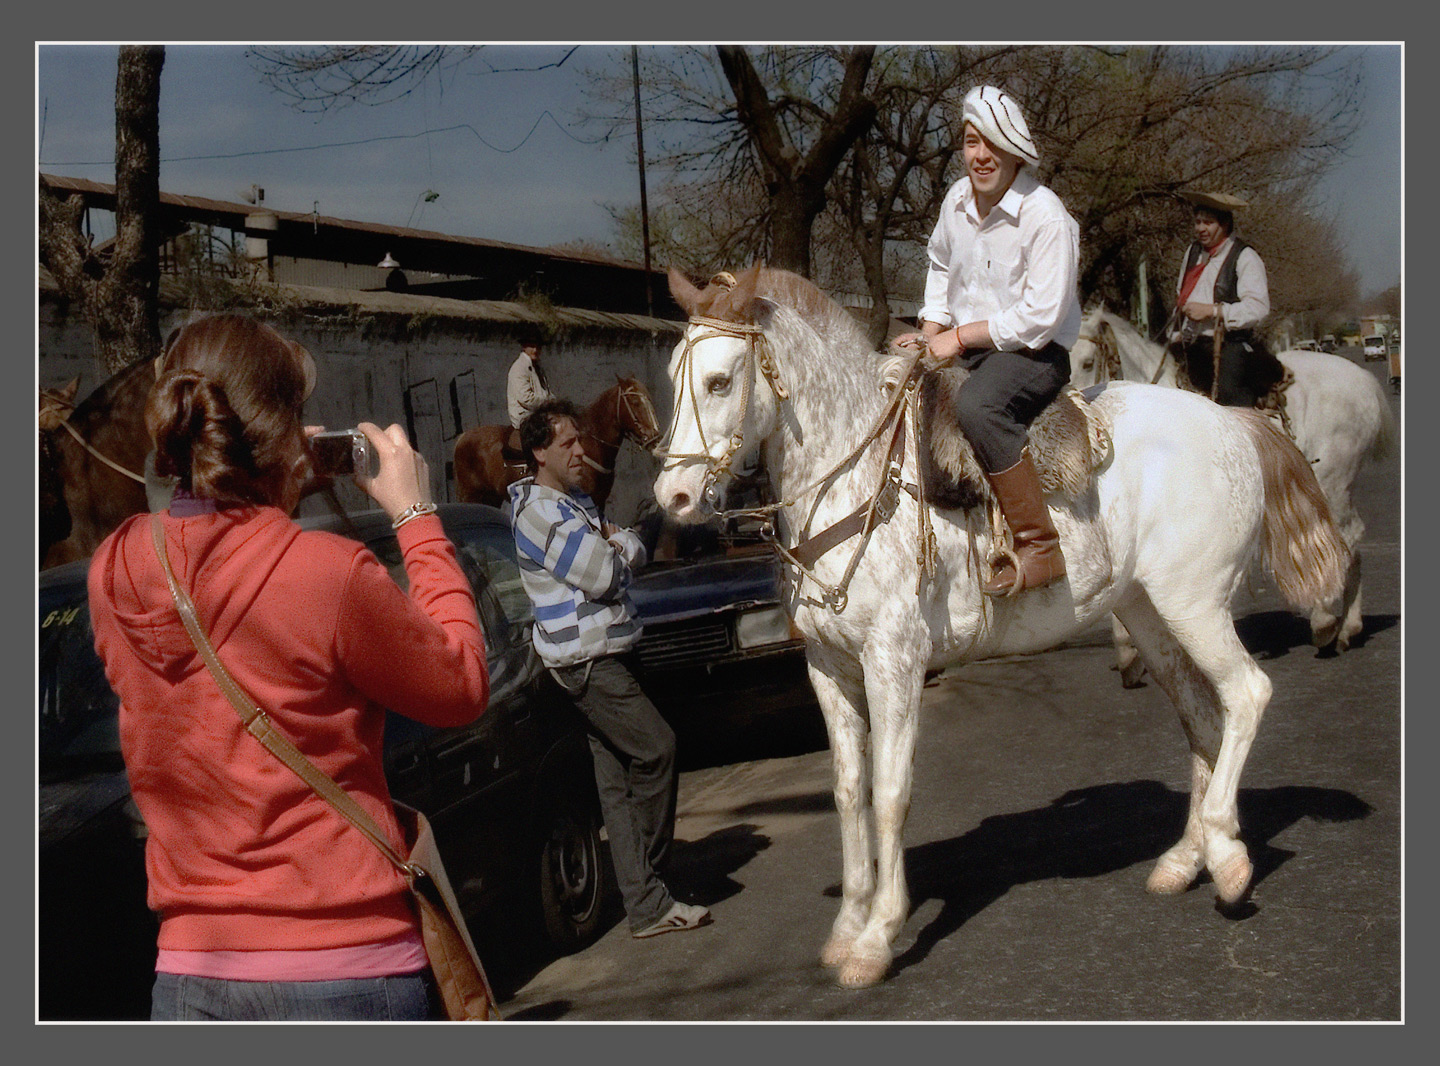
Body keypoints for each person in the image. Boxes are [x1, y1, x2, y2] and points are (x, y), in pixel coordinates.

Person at [87, 314, 491, 1021]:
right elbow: (460, 687)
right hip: (345, 967)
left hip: (190, 973)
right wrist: (417, 514)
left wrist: (261, 488)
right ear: (281, 431)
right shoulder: (327, 574)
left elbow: (206, 576)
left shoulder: (113, 567)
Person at [508, 400, 712, 939]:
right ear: (538, 452)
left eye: (580, 439)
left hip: (609, 649)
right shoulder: (538, 511)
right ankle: (649, 882)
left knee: (616, 782)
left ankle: (645, 906)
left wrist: (612, 542)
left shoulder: (572, 501)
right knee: (657, 748)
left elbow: (603, 552)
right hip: (587, 660)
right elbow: (603, 574)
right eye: (566, 444)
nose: (580, 451)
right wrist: (632, 540)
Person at [895, 85, 1080, 596]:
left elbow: (1040, 318)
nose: (980, 156)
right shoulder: (957, 199)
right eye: (971, 142)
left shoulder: (1045, 215)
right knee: (893, 386)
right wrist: (929, 332)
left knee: (978, 407)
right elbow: (939, 263)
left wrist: (957, 338)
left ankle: (1039, 546)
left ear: (1014, 151)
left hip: (1034, 353)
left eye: (992, 145)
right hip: (967, 343)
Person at [1169, 191, 1284, 407]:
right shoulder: (1192, 253)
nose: (1200, 228)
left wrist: (1213, 311)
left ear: (1224, 225)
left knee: (1230, 397)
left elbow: (1258, 308)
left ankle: (1244, 437)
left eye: (1208, 223)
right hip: (1192, 344)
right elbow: (1181, 293)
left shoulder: (1245, 257)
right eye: (1198, 222)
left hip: (1229, 346)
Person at [507, 332, 554, 430]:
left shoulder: (537, 367)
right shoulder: (519, 367)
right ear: (524, 347)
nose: (535, 350)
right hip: (524, 415)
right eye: (532, 346)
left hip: (538, 412)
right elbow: (525, 399)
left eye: (538, 347)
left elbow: (545, 391)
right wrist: (548, 402)